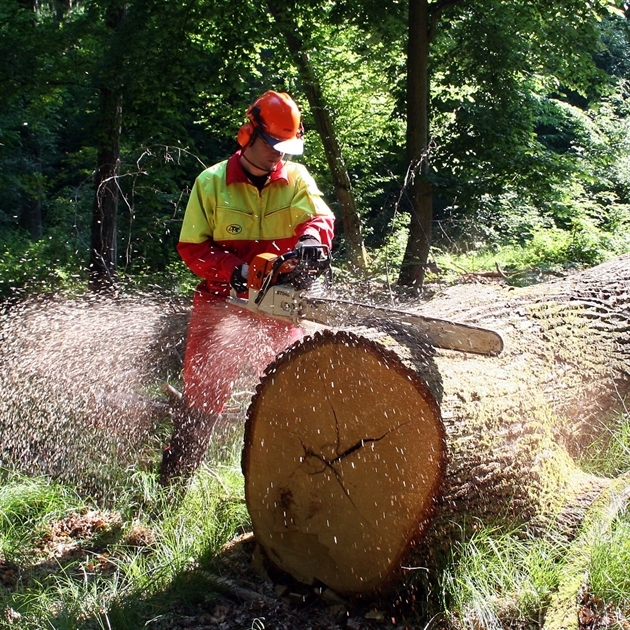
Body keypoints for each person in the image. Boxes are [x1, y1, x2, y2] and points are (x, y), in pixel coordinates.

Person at [159, 90, 335, 484]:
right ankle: (173, 483)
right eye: (273, 144)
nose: (279, 155)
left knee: (292, 388)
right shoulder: (212, 182)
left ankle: (295, 486)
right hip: (221, 302)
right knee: (203, 397)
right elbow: (192, 248)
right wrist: (237, 271)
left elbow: (320, 217)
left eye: (286, 146)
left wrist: (311, 241)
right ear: (248, 134)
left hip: (278, 304)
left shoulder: (296, 178)